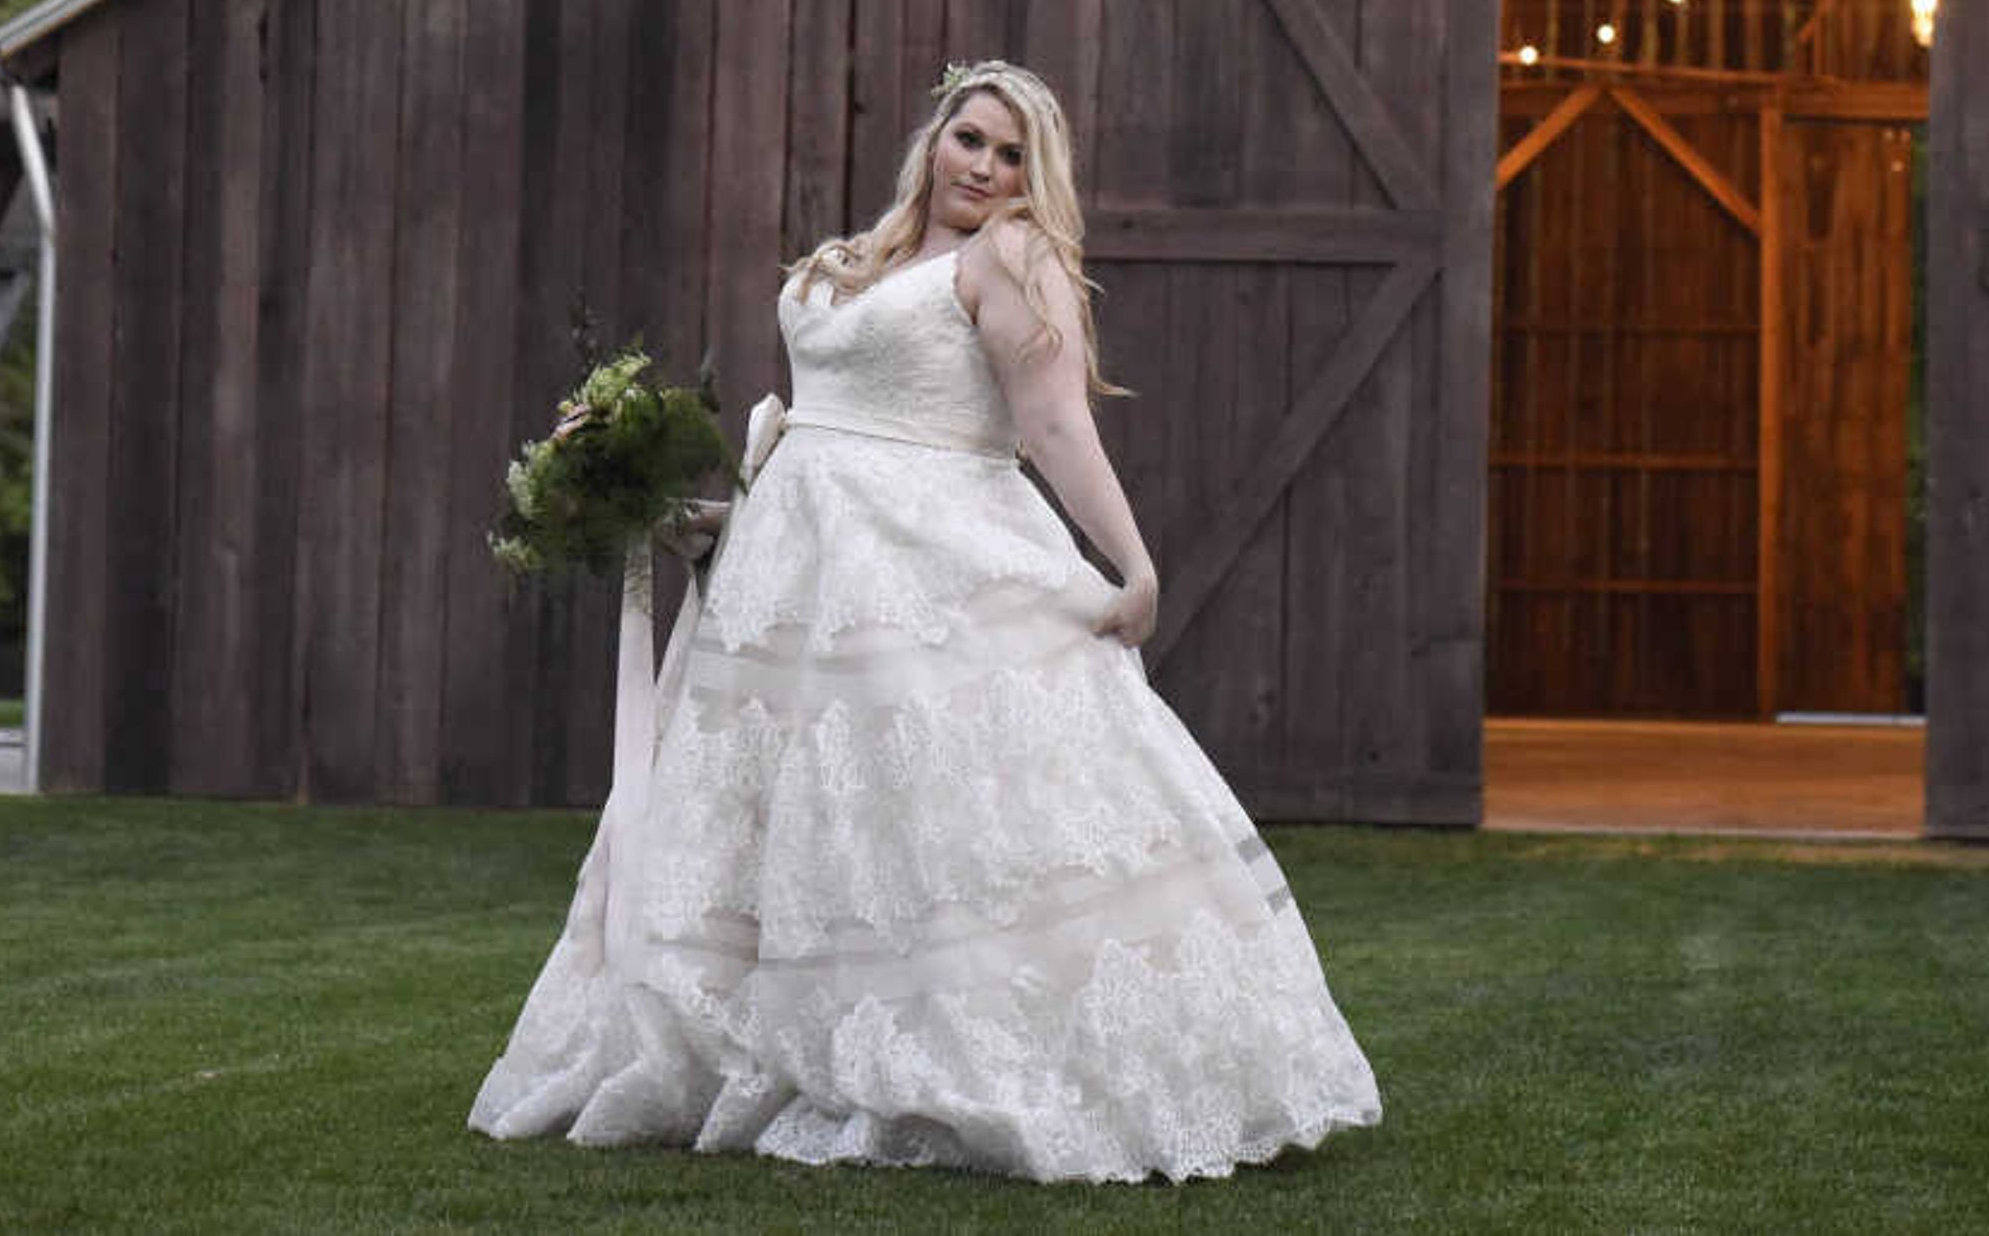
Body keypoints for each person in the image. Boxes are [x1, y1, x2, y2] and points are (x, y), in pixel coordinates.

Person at [468, 59, 1382, 1181]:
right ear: (935, 137)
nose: (985, 169)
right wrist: (701, 515)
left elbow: (1052, 425)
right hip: (794, 573)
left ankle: (971, 1050)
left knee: (927, 816)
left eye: (1011, 156)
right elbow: (820, 432)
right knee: (793, 816)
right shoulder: (857, 260)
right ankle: (755, 1047)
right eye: (971, 140)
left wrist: (1132, 560)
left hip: (926, 561)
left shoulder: (1014, 256)